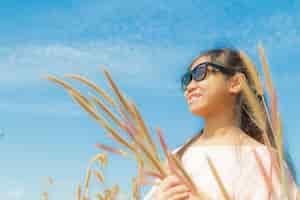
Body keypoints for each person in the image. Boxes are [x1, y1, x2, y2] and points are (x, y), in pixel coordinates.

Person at [142, 48, 298, 200]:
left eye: (200, 73)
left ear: (235, 83)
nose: (189, 87)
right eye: (187, 79)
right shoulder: (176, 158)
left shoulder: (266, 159)